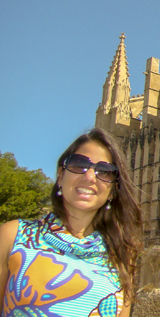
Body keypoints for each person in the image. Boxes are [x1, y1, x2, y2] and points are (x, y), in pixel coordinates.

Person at [0, 128, 143, 317]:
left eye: (105, 171)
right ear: (60, 175)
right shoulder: (13, 235)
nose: (90, 177)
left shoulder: (121, 253)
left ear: (114, 189)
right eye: (79, 164)